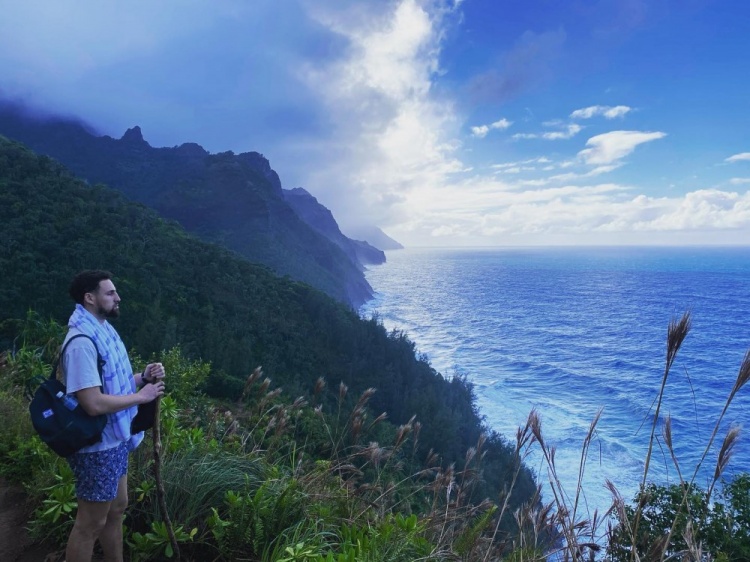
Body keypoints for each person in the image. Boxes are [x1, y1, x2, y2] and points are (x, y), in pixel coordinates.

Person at [62, 270, 166, 562]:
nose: (118, 297)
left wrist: (142, 377)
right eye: (110, 293)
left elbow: (113, 386)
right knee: (89, 524)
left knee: (117, 508)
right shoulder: (82, 342)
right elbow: (92, 402)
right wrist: (141, 397)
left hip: (115, 440)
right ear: (89, 298)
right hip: (97, 446)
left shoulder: (103, 330)